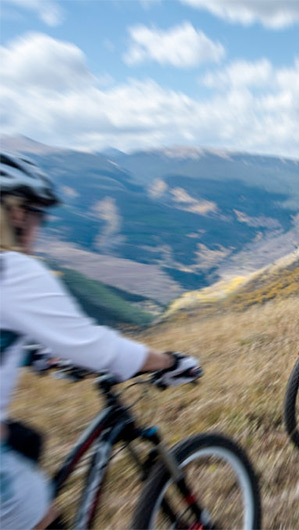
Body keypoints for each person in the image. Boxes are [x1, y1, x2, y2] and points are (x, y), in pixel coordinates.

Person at [0, 152, 202, 529]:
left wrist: (42, 359)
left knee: (27, 442)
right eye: (38, 214)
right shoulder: (11, 270)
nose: (39, 227)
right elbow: (97, 347)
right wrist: (169, 362)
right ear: (15, 213)